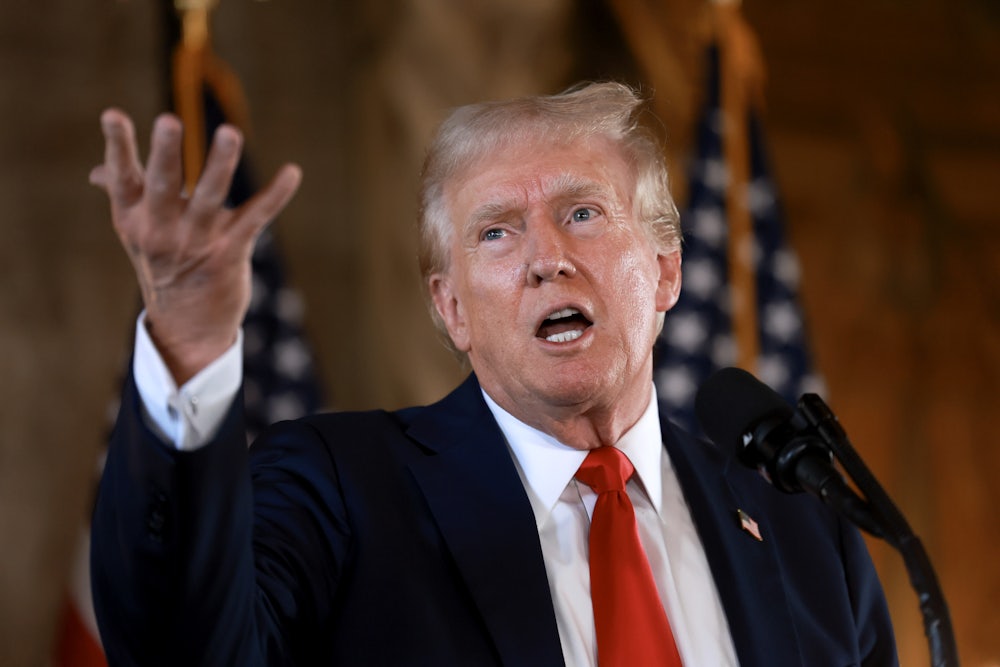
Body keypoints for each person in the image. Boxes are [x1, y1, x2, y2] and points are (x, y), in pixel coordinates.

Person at [89, 82, 897, 666]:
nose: (548, 257)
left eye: (582, 213)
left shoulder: (803, 525)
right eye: (497, 233)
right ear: (451, 310)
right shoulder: (341, 490)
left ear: (665, 270)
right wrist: (186, 351)